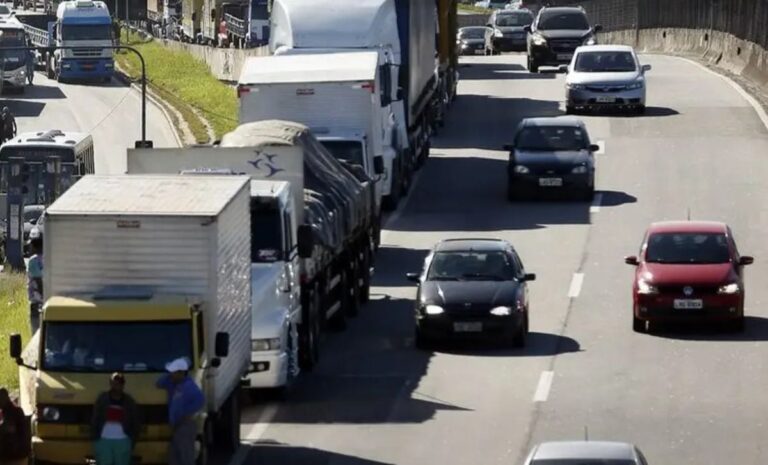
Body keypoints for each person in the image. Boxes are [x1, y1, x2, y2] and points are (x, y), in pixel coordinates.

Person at [156, 358, 204, 465]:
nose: (171, 375)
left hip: (186, 425)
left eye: (173, 372)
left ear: (181, 373)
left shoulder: (189, 386)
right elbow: (159, 383)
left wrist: (187, 413)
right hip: (177, 426)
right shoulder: (172, 384)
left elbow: (200, 400)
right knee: (174, 456)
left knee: (185, 456)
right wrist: (168, 376)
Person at [91, 373, 140, 465]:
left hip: (123, 441)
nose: (115, 386)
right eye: (113, 383)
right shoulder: (102, 399)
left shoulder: (129, 401)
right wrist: (95, 437)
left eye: (118, 384)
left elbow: (135, 421)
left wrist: (132, 440)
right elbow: (95, 418)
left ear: (123, 385)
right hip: (103, 440)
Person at [0, 388, 31, 465]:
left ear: (4, 398)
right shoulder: (11, 411)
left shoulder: (12, 412)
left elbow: (9, 429)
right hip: (18, 454)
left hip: (15, 456)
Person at [26, 234, 43, 335]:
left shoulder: (33, 260)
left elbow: (37, 279)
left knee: (35, 330)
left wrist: (42, 294)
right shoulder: (48, 259)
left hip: (36, 299)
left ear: (35, 247)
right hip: (48, 299)